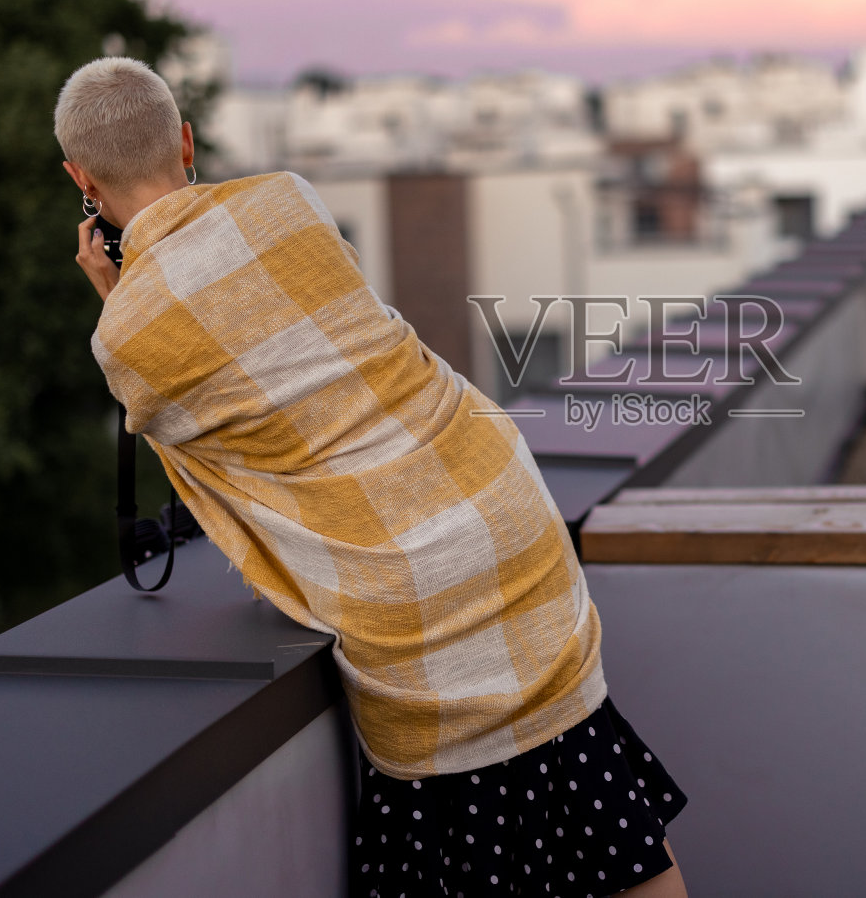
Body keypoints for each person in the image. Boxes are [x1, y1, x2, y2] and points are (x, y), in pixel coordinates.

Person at [56, 57, 688, 898]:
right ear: (186, 141)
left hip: (406, 592)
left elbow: (210, 434)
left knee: (466, 843)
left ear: (81, 179)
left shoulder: (127, 338)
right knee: (603, 813)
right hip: (505, 505)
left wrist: (120, 297)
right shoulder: (289, 199)